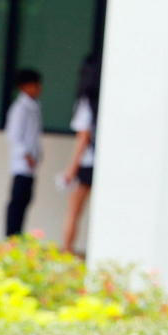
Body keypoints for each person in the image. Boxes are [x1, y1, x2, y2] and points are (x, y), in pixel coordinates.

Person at [59, 53, 99, 256]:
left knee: (73, 212)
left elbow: (83, 138)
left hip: (87, 163)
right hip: (105, 161)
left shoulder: (86, 102)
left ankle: (66, 254)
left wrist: (70, 170)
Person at [4, 66, 43, 238]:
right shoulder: (20, 108)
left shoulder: (34, 107)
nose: (38, 89)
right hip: (21, 164)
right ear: (24, 87)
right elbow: (13, 136)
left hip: (30, 164)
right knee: (18, 201)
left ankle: (18, 235)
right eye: (34, 85)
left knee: (25, 200)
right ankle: (11, 236)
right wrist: (26, 155)